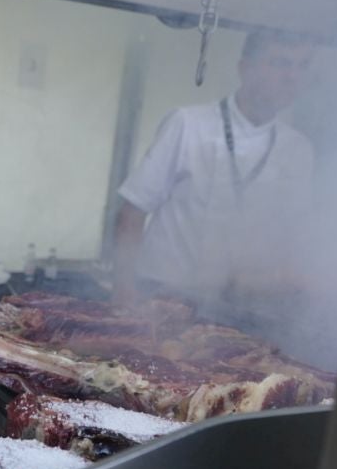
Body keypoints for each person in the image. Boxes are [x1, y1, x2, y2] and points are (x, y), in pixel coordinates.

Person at [111, 29, 317, 328]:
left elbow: (295, 235)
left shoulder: (298, 149)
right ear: (245, 68)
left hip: (234, 308)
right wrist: (123, 290)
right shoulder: (187, 124)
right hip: (160, 294)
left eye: (302, 66)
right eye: (280, 63)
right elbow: (133, 210)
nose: (292, 77)